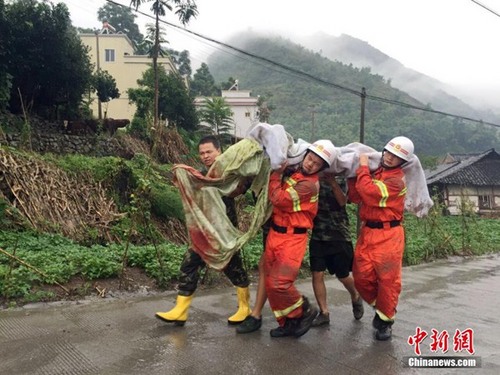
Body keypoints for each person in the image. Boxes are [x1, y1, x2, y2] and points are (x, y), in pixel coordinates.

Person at [155, 135, 251, 326]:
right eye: (202, 153)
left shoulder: (230, 174)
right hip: (204, 231)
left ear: (219, 151)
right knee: (189, 264)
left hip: (224, 233)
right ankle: (180, 310)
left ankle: (244, 308)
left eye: (209, 152)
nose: (205, 156)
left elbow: (239, 188)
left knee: (234, 268)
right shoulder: (199, 175)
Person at [264, 139, 337, 338]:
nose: (310, 164)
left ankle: (304, 310)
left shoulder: (310, 185)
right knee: (271, 284)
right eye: (309, 158)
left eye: (316, 163)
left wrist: (276, 174)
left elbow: (279, 199)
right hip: (276, 233)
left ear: (321, 168)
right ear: (305, 155)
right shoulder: (296, 173)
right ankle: (287, 322)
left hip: (292, 239)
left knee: (281, 283)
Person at [347, 136, 414, 341]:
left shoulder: (396, 180)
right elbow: (357, 197)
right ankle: (382, 307)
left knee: (388, 281)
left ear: (403, 161)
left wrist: (363, 167)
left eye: (396, 156)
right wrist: (351, 175)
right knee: (361, 277)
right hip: (368, 232)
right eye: (388, 152)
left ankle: (385, 321)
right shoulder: (376, 173)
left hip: (389, 235)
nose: (390, 158)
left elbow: (369, 192)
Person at [309, 174, 364, 327]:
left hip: (338, 235)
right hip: (318, 234)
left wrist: (332, 182)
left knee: (343, 275)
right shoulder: (312, 178)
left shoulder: (340, 177)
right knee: (316, 273)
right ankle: (324, 312)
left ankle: (355, 294)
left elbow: (342, 201)